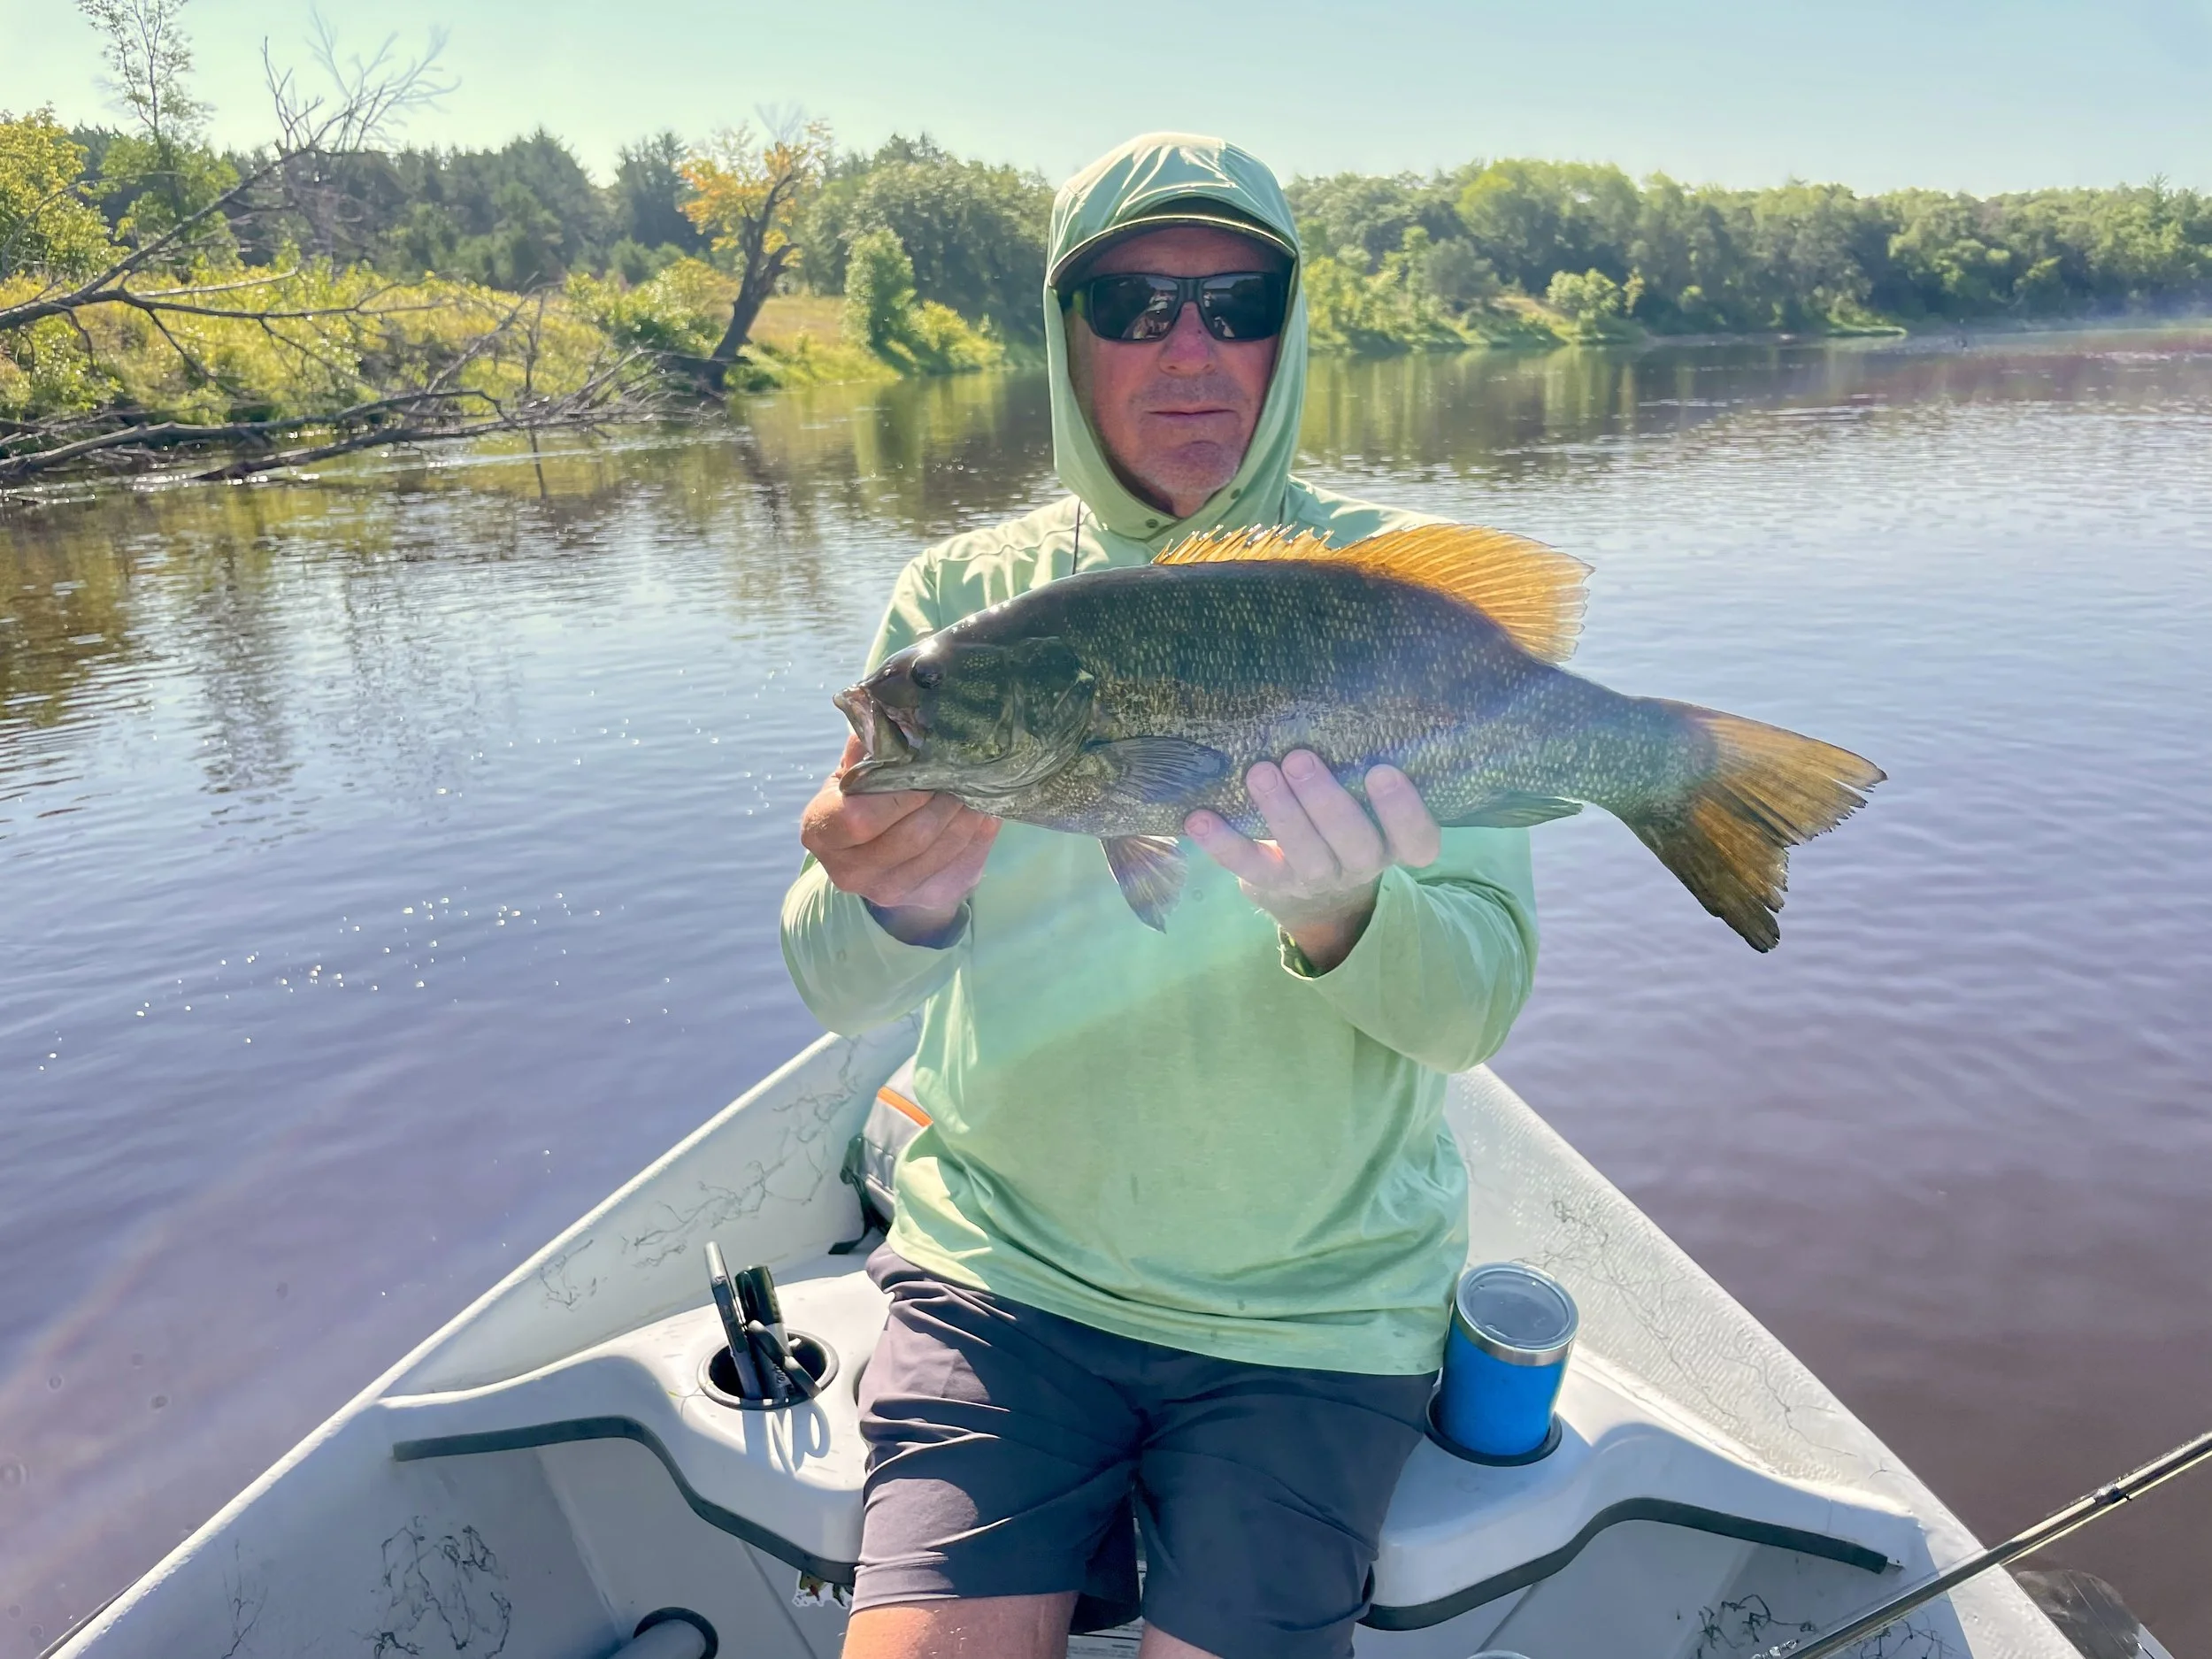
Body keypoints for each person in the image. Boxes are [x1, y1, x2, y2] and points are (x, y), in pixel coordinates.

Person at [781, 133, 1540, 1659]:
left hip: (1313, 1313)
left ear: (1293, 325)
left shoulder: (1389, 597)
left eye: (1238, 299)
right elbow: (837, 991)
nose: (1191, 347)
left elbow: (1475, 1008)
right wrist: (889, 899)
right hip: (1004, 1270)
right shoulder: (963, 614)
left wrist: (1345, 917)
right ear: (1063, 337)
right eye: (1132, 304)